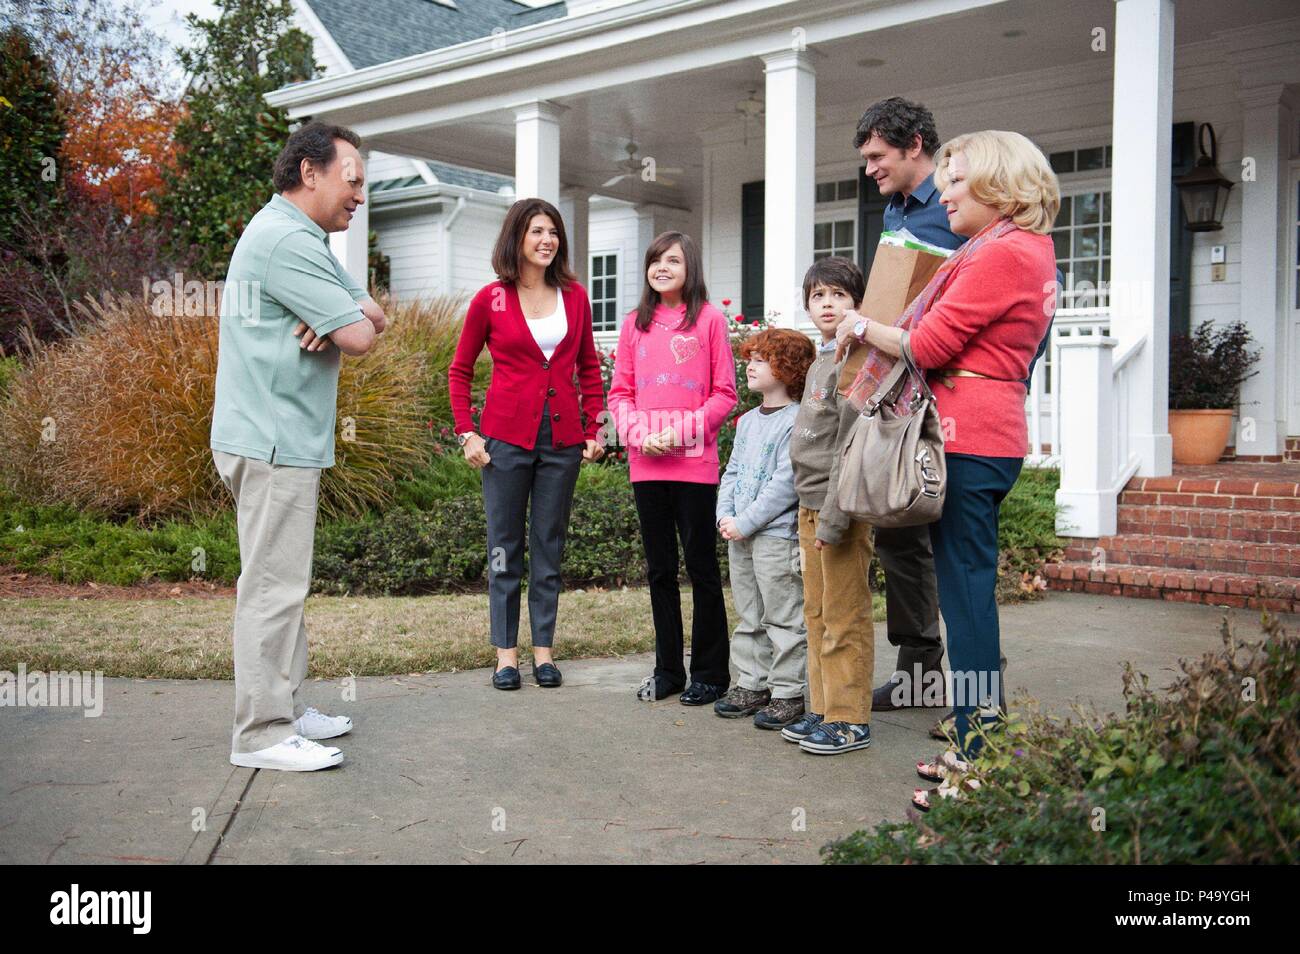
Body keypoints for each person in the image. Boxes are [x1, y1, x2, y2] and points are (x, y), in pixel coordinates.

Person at [836, 130, 1059, 809]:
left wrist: (859, 325)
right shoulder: (1014, 249)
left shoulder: (1004, 252)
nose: (947, 191)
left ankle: (982, 760)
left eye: (958, 180)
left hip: (972, 440)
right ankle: (971, 741)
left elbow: (928, 345)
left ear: (997, 186)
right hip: (984, 433)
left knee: (964, 600)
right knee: (965, 597)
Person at [211, 120, 385, 772]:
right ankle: (260, 733)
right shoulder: (287, 241)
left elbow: (373, 316)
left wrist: (341, 315)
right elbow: (363, 336)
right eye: (353, 179)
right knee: (271, 589)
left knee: (285, 582)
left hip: (278, 438)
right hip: (273, 440)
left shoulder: (303, 239)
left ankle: (284, 704)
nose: (360, 195)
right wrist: (344, 319)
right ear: (309, 172)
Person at [448, 198, 605, 691]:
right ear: (517, 237)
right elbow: (460, 370)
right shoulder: (490, 299)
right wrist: (466, 432)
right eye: (536, 231)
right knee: (504, 548)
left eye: (553, 231)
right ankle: (505, 656)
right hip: (505, 441)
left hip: (560, 441)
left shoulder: (575, 297)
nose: (546, 240)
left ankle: (544, 654)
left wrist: (595, 429)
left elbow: (587, 368)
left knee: (549, 545)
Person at [853, 97, 953, 716]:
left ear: (914, 143)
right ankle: (921, 675)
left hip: (952, 395)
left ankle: (976, 698)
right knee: (900, 533)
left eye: (877, 156)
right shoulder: (896, 208)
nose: (869, 169)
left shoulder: (960, 207)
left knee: (959, 547)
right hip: (900, 392)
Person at [607, 231, 737, 706]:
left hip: (694, 466)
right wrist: (641, 436)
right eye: (655, 260)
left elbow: (725, 393)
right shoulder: (633, 325)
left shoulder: (709, 320)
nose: (662, 267)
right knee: (660, 570)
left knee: (701, 569)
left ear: (690, 268)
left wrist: (679, 432)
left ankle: (710, 673)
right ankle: (668, 670)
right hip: (647, 466)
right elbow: (620, 394)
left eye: (673, 260)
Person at [783, 257, 877, 755]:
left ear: (857, 304)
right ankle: (822, 707)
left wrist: (837, 518)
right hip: (810, 503)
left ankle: (849, 718)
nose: (827, 304)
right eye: (818, 295)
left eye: (839, 295)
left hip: (841, 507)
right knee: (816, 611)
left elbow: (851, 444)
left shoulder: (856, 360)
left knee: (845, 613)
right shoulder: (823, 357)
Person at [714, 328, 816, 729]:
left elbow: (784, 484)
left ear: (787, 368)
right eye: (750, 358)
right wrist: (725, 515)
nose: (750, 365)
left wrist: (747, 521)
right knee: (749, 614)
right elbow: (733, 471)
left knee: (782, 615)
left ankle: (788, 692)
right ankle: (752, 683)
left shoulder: (797, 421)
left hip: (775, 537)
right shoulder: (747, 422)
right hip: (739, 534)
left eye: (760, 359)